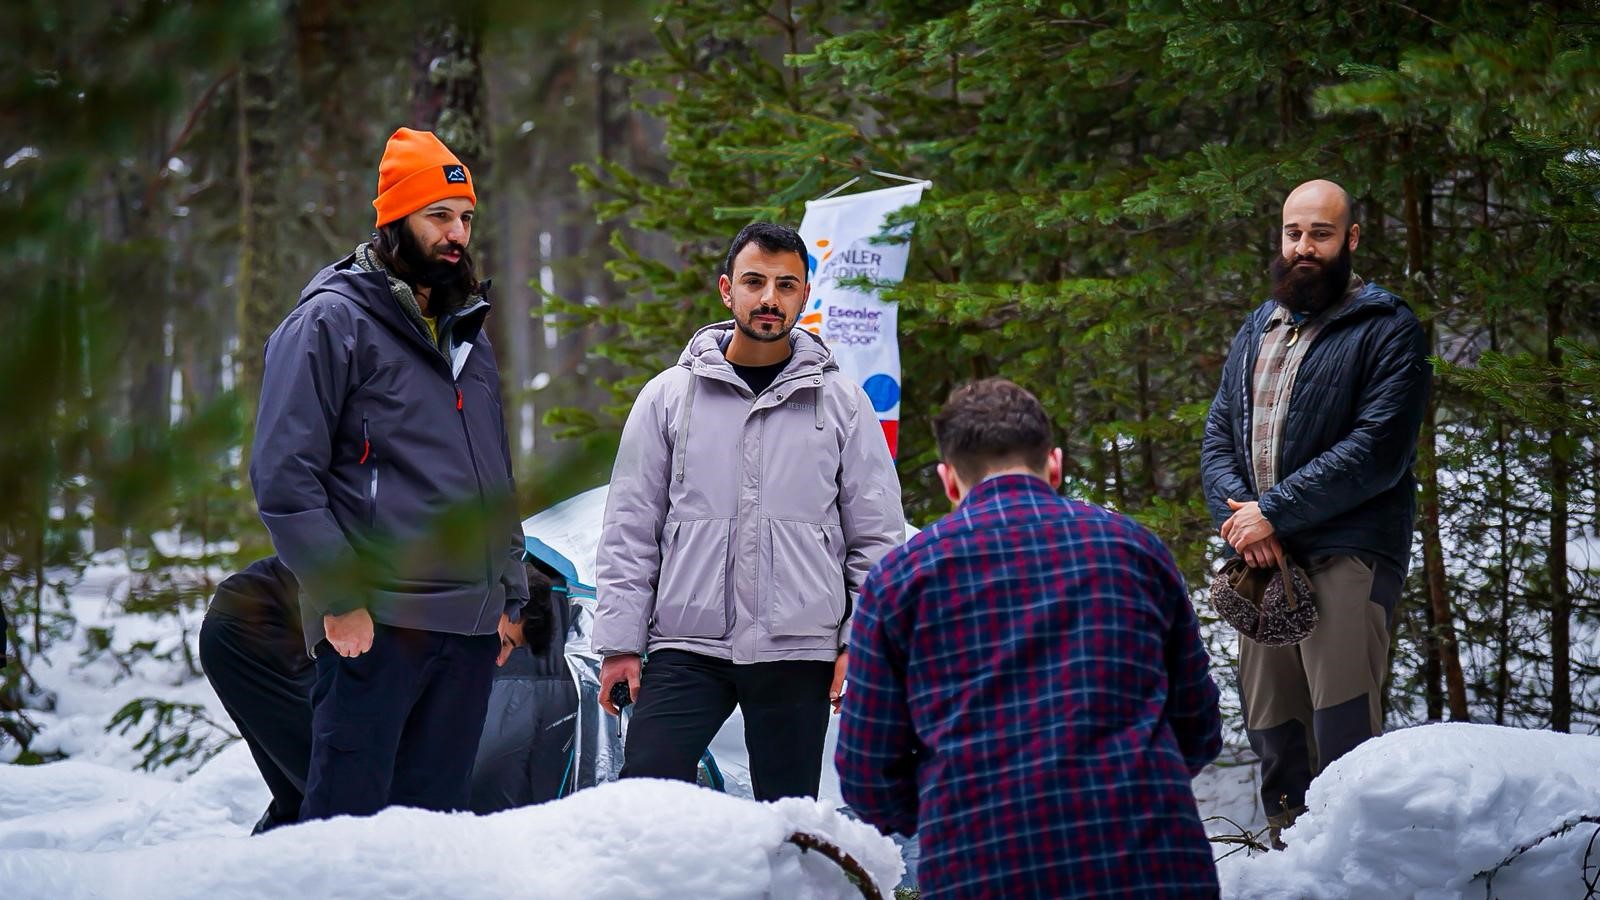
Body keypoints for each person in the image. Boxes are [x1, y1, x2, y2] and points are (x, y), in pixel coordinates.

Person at [835, 378, 1223, 898]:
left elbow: (867, 775)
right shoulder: (1135, 550)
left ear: (949, 482)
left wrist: (948, 808)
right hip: (1151, 861)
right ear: (1055, 465)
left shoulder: (900, 580)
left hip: (982, 868)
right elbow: (1197, 725)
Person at [250, 127, 529, 820]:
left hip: (468, 634)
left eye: (465, 218)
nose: (456, 233)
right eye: (438, 215)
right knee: (346, 835)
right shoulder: (330, 323)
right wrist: (340, 598)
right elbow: (284, 475)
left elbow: (492, 474)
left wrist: (509, 596)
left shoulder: (470, 333)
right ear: (393, 218)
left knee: (431, 838)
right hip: (376, 625)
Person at [593, 221, 905, 801]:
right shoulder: (669, 396)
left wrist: (856, 641)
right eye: (755, 281)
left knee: (787, 822)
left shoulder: (841, 403)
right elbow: (630, 529)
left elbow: (877, 538)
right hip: (687, 646)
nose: (769, 298)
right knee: (643, 801)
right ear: (725, 290)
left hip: (799, 648)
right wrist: (619, 645)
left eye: (786, 285)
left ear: (805, 296)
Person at [1200, 179, 1429, 846]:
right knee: (1273, 725)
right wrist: (1246, 523)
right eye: (1293, 233)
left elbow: (1377, 450)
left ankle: (1352, 864)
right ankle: (1287, 857)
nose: (1304, 247)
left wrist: (1277, 512)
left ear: (1350, 239)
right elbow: (1219, 436)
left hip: (1349, 553)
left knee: (1343, 729)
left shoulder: (1387, 328)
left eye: (1320, 234)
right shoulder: (1258, 327)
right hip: (1265, 559)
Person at [198, 557, 564, 830]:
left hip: (262, 636)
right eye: (505, 642)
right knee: (339, 787)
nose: (498, 659)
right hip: (253, 634)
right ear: (507, 605)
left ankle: (264, 873)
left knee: (305, 796)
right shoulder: (448, 587)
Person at [197, 557, 312, 834]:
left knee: (301, 791)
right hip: (249, 633)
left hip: (277, 629)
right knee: (332, 778)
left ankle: (264, 864)